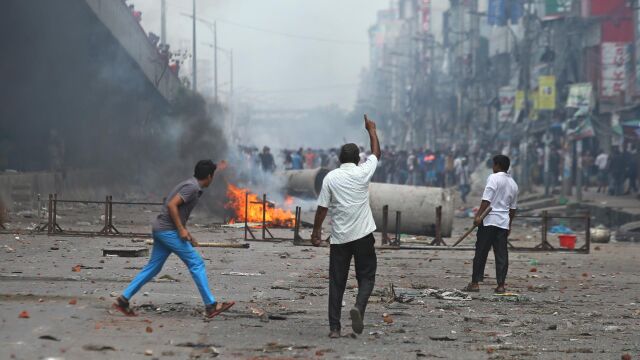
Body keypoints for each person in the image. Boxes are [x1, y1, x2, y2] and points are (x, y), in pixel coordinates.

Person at [113, 160, 235, 318]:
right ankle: (211, 306)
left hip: (162, 229)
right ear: (209, 176)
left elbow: (177, 211)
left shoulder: (190, 185)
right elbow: (172, 205)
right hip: (168, 231)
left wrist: (186, 233)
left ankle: (123, 300)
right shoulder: (192, 187)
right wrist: (180, 229)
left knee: (153, 267)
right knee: (196, 263)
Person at [311, 114, 381, 338]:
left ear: (340, 159)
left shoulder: (331, 177)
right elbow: (376, 154)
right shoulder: (363, 172)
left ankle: (334, 329)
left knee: (337, 282)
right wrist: (371, 130)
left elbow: (322, 209)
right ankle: (359, 307)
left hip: (340, 238)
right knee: (367, 277)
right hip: (363, 235)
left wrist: (316, 233)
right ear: (358, 159)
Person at [464, 155, 518, 294]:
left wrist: (478, 216)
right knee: (501, 254)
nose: (493, 167)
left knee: (481, 251)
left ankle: (475, 283)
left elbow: (486, 199)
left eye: (494, 165)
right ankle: (501, 285)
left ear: (498, 165)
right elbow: (512, 209)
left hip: (489, 220)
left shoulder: (493, 178)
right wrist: (509, 225)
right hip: (503, 223)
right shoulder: (513, 183)